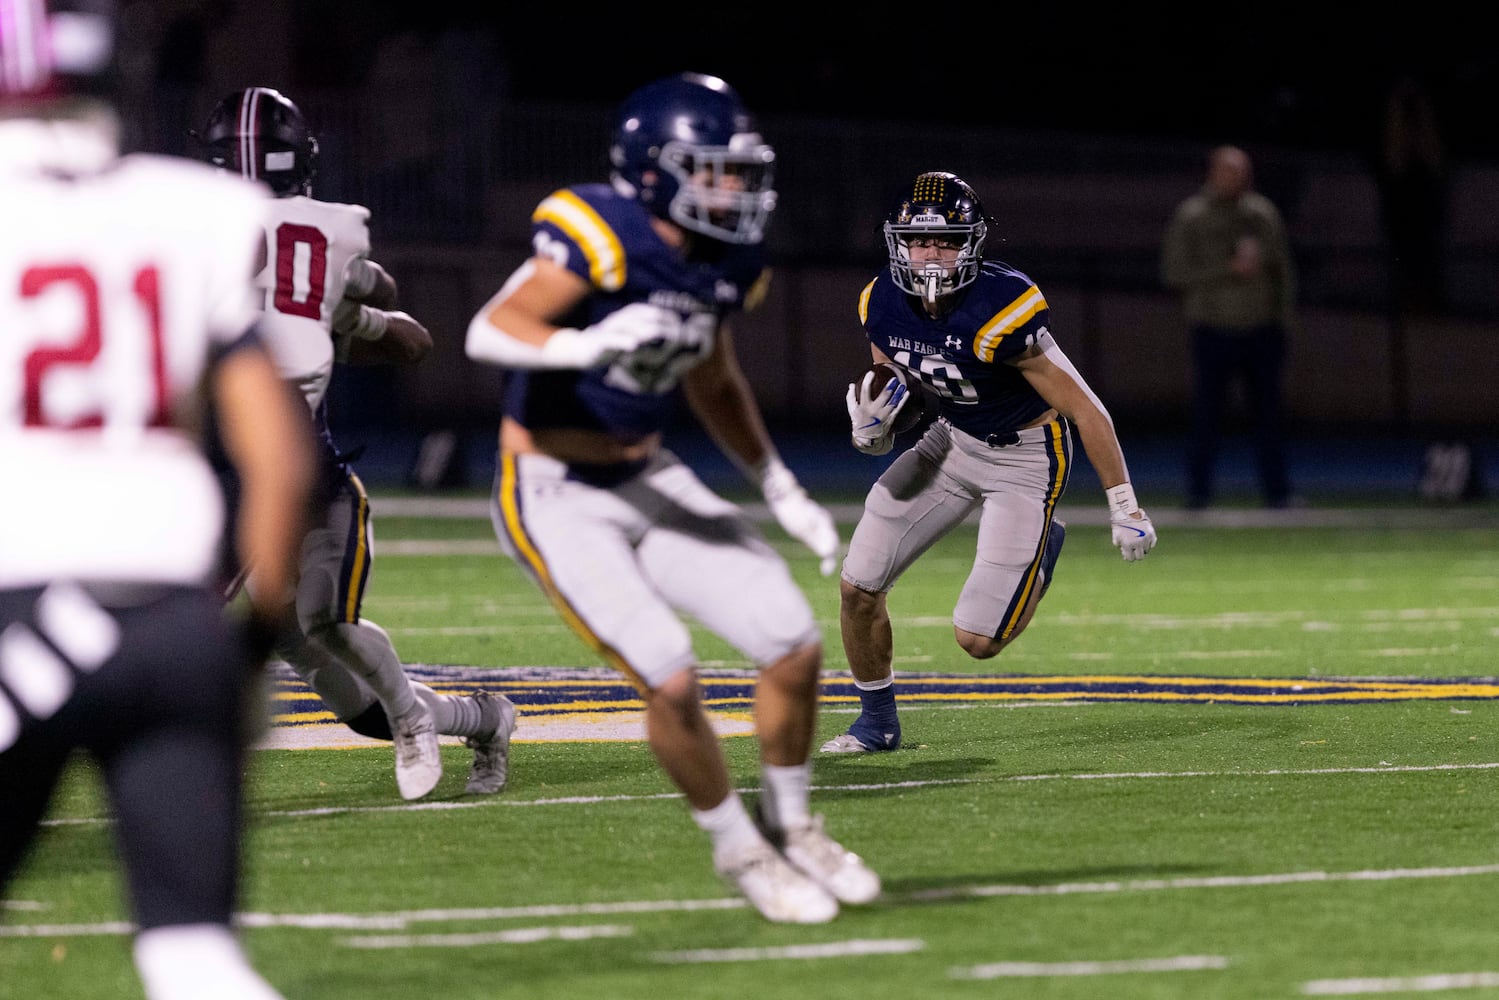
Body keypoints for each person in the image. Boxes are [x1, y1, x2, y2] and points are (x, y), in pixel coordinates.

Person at [464, 71, 875, 924]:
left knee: (792, 644)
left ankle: (793, 826)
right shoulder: (600, 232)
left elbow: (714, 376)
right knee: (670, 675)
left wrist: (775, 482)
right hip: (552, 487)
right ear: (655, 169)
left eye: (737, 170)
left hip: (647, 471)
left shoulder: (725, 259)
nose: (735, 188)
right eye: (715, 170)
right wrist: (581, 345)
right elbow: (490, 327)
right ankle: (739, 849)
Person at [0, 3, 313, 998]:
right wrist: (254, 644)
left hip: (28, 611)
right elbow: (281, 464)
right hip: (174, 623)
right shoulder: (196, 211)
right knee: (190, 952)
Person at [195, 86, 516, 800]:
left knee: (308, 622)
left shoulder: (185, 227)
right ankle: (481, 718)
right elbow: (367, 298)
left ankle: (411, 717)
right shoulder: (333, 228)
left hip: (288, 469)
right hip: (237, 462)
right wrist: (364, 320)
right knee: (331, 680)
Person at [825, 170, 1158, 754]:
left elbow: (1086, 410)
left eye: (947, 240)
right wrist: (878, 422)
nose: (932, 254)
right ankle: (876, 722)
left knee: (977, 640)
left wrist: (1124, 505)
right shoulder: (879, 300)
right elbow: (897, 375)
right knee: (858, 584)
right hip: (949, 443)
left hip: (1025, 458)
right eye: (921, 240)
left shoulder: (1001, 306)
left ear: (971, 243)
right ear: (898, 242)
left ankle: (1043, 545)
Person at [1160, 144, 1297, 510]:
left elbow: (1283, 269)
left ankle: (1278, 494)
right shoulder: (1192, 215)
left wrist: (1283, 321)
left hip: (1262, 331)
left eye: (1242, 172)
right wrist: (1227, 269)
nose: (1236, 179)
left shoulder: (1262, 213)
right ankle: (1198, 494)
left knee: (1269, 416)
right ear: (1213, 172)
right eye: (1228, 171)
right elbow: (1174, 273)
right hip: (1213, 329)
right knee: (1206, 416)